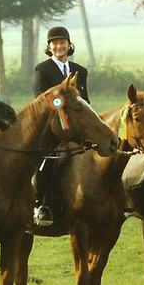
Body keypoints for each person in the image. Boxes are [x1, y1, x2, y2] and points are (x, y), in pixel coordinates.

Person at [31, 26, 89, 227]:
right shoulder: (42, 70)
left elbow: (85, 102)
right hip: (52, 129)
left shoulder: (80, 71)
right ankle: (40, 204)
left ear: (68, 44)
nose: (59, 46)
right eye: (54, 43)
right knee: (48, 159)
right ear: (49, 46)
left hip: (77, 130)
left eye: (62, 42)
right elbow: (42, 101)